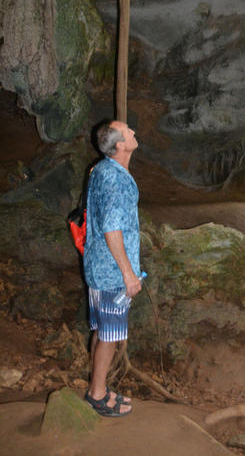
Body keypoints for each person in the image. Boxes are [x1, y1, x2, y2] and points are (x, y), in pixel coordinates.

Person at [82, 120, 142, 417]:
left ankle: (99, 386)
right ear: (120, 145)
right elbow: (112, 229)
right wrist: (128, 274)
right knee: (110, 335)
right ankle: (97, 393)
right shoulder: (114, 179)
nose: (133, 132)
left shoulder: (104, 169)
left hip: (98, 267)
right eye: (128, 131)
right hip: (112, 273)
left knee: (103, 330)